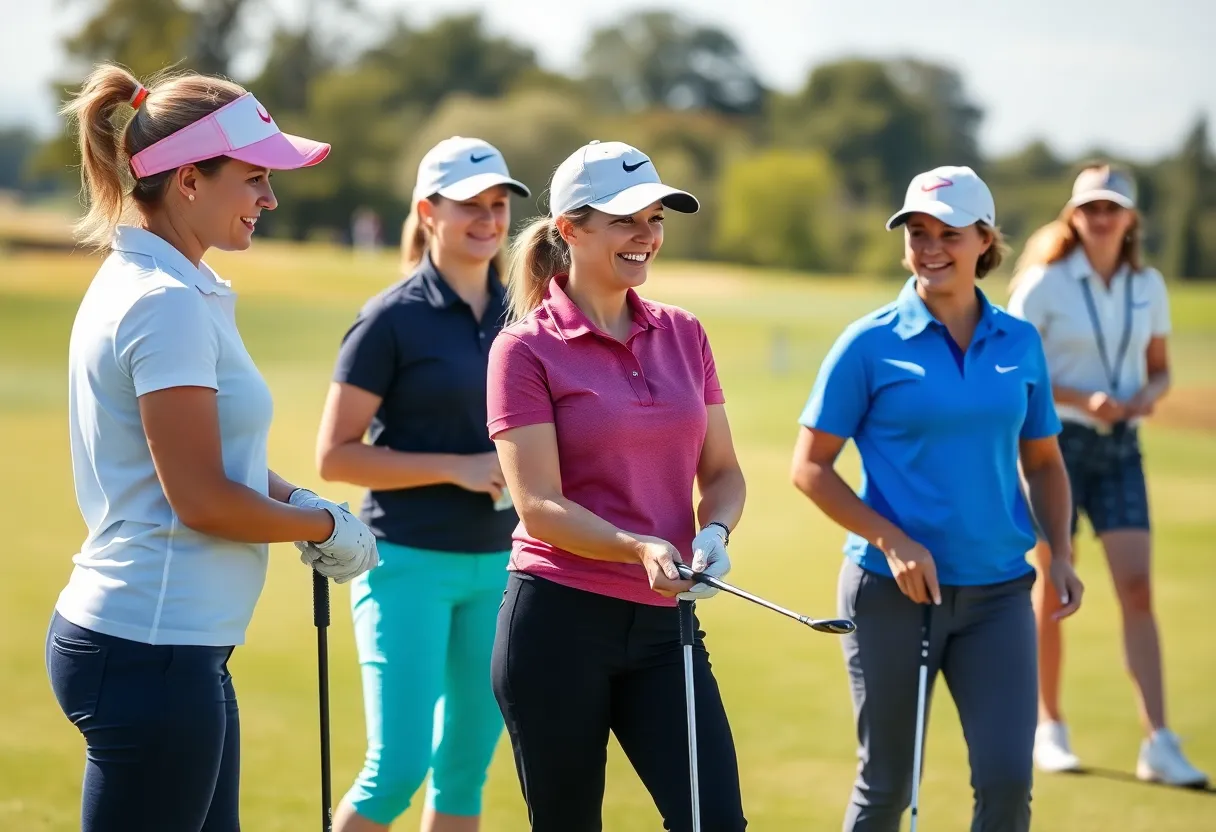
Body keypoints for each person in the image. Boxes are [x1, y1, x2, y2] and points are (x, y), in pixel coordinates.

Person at [47, 63, 378, 832]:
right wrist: (322, 526)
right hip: (150, 647)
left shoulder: (168, 285)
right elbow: (200, 499)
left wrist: (302, 502)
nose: (270, 198)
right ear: (189, 180)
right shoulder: (163, 303)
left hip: (169, 647)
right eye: (255, 178)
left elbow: (215, 454)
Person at [791, 165, 1085, 832]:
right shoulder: (868, 343)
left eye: (948, 234)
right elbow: (810, 467)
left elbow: (1043, 462)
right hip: (891, 594)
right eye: (917, 232)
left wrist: (1062, 554)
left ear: (985, 239)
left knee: (1008, 784)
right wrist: (891, 539)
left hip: (999, 595)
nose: (929, 248)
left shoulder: (1019, 342)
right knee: (888, 786)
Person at [485, 140, 748, 831]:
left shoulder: (685, 333)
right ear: (569, 229)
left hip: (665, 628)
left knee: (714, 821)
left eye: (655, 219)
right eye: (625, 219)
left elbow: (723, 473)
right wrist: (639, 547)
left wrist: (715, 531)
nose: (646, 235)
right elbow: (539, 506)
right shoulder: (524, 349)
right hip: (558, 626)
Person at [314, 136, 531, 832]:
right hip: (405, 564)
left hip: (502, 567)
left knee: (465, 769)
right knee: (397, 768)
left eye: (498, 205)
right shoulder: (390, 318)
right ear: (428, 212)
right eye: (470, 205)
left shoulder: (524, 315)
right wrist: (455, 467)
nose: (489, 220)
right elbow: (335, 456)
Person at [1007, 163, 1208, 787]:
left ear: (1129, 219)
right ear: (1074, 217)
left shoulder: (1147, 285)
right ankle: (1048, 726)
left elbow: (1160, 368)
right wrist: (1081, 398)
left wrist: (1147, 395)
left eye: (1111, 209)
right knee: (1053, 585)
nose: (1100, 218)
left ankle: (1159, 741)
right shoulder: (1044, 283)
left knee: (1138, 588)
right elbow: (1015, 369)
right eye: (1090, 208)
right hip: (1054, 445)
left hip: (1121, 446)